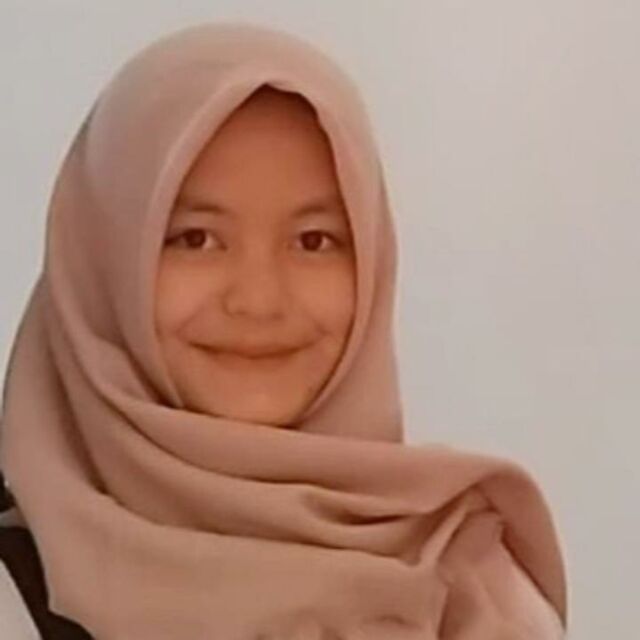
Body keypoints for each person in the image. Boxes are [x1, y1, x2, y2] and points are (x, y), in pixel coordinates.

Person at [0, 21, 568, 639]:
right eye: (195, 238)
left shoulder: (473, 589)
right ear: (97, 261)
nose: (259, 300)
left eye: (313, 241)